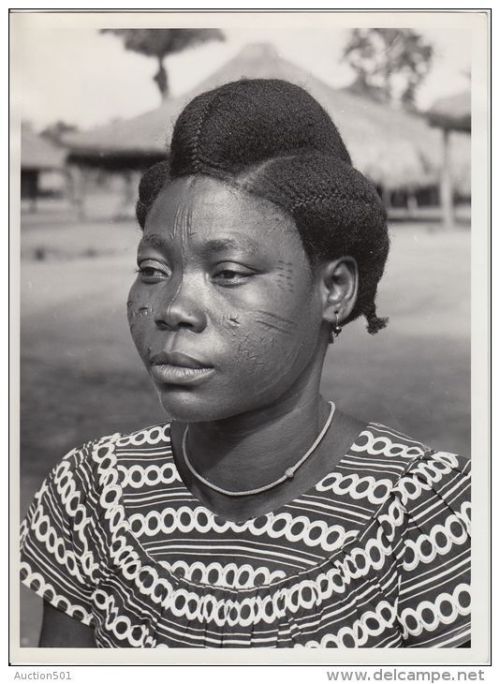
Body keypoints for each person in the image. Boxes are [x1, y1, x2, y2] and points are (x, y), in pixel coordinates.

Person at [20, 79, 471, 649]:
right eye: (153, 269)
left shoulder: (431, 518)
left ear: (334, 289)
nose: (174, 309)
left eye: (228, 274)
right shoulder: (92, 494)